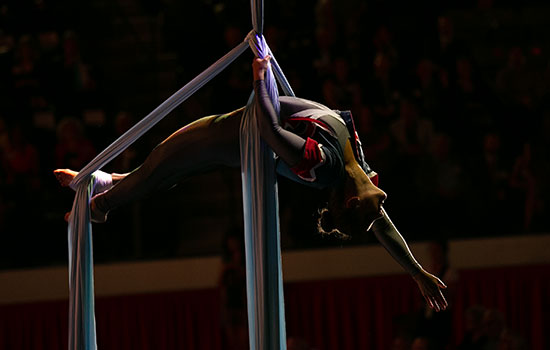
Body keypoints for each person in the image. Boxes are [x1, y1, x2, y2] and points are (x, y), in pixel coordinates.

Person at [55, 56, 448, 312]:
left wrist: (262, 79)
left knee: (163, 162)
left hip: (235, 134)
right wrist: (415, 271)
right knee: (166, 170)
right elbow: (382, 224)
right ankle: (108, 182)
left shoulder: (322, 165)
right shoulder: (359, 165)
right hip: (236, 135)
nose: (381, 207)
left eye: (371, 209)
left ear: (349, 202)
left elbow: (269, 125)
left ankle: (96, 207)